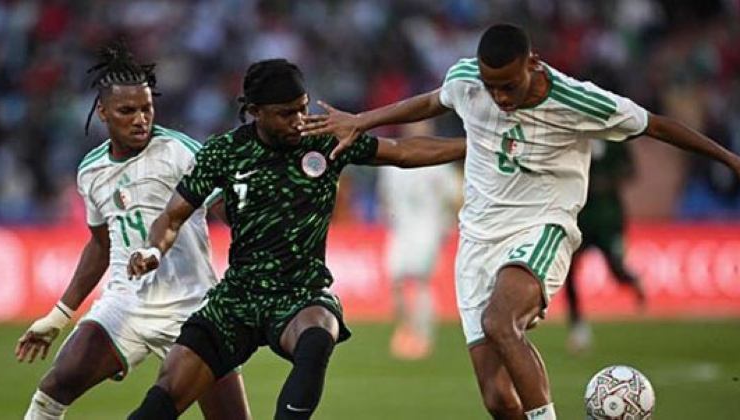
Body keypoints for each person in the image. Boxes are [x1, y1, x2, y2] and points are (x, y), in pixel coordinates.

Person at [299, 22, 740, 420]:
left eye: (509, 85)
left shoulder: (578, 100)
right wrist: (363, 120)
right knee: (497, 399)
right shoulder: (467, 80)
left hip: (542, 226)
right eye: (492, 87)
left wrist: (730, 159)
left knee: (500, 320)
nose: (501, 98)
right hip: (477, 240)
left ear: (533, 63)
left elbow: (657, 125)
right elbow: (434, 101)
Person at [125, 58, 466, 420]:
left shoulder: (324, 140)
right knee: (168, 390)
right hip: (238, 298)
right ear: (255, 111)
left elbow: (402, 152)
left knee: (318, 334)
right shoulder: (224, 153)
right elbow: (172, 217)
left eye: (302, 108)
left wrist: (475, 146)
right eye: (286, 113)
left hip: (301, 294)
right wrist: (153, 250)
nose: (299, 120)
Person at [14, 42, 251, 420]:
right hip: (127, 303)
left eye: (147, 109)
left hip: (194, 308)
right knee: (58, 383)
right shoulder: (91, 171)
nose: (140, 119)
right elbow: (99, 246)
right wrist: (59, 316)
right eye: (127, 111)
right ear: (103, 112)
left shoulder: (180, 151)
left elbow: (228, 210)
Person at [378, 122, 460, 360]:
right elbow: (385, 197)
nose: (416, 130)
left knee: (421, 281)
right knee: (396, 280)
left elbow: (455, 196)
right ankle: (407, 327)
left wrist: (447, 224)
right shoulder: (391, 165)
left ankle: (423, 336)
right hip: (400, 228)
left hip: (428, 228)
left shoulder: (439, 164)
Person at [565, 139, 645, 353]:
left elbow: (630, 170)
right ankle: (578, 326)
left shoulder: (615, 139)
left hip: (609, 219)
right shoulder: (576, 138)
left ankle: (632, 280)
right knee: (569, 271)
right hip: (580, 218)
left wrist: (608, 180)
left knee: (616, 269)